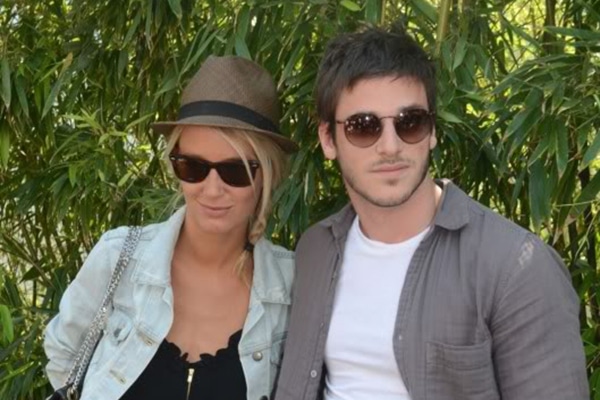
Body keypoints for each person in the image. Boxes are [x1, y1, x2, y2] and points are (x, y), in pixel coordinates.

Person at [274, 26, 589, 400]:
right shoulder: (315, 250)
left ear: (433, 130)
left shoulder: (515, 268)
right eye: (363, 127)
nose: (390, 146)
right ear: (328, 139)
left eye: (410, 122)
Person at [44, 55, 297, 400]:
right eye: (193, 167)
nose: (212, 190)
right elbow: (63, 358)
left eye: (235, 171)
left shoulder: (291, 287)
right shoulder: (119, 258)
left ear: (267, 173)